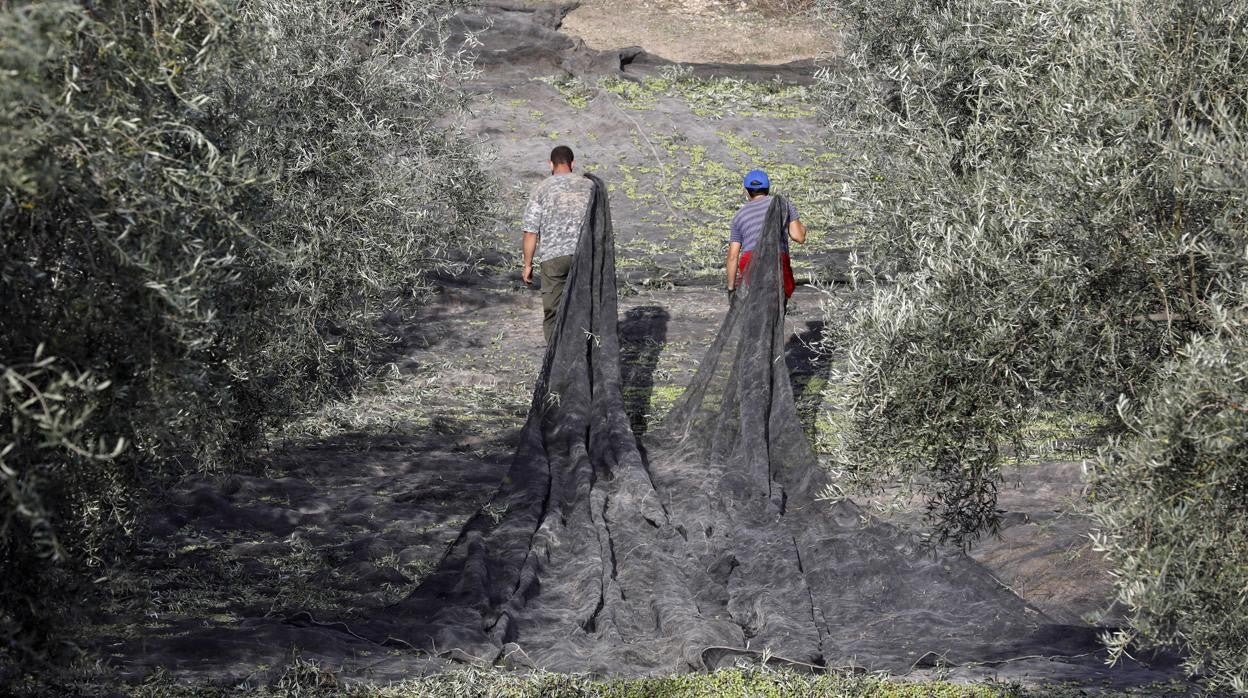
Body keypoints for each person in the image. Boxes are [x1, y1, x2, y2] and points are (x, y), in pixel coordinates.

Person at [521, 145, 594, 344]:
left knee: (553, 311)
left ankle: (556, 358)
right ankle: (582, 352)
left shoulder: (542, 188)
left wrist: (528, 265)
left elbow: (530, 232)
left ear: (550, 164)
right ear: (573, 163)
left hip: (553, 258)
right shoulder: (589, 187)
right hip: (584, 255)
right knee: (582, 307)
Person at [725, 168, 806, 299]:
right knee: (779, 302)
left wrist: (730, 289)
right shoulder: (782, 204)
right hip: (777, 260)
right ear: (768, 189)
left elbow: (732, 257)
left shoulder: (739, 216)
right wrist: (802, 227)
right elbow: (799, 237)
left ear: (747, 192)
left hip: (751, 263)